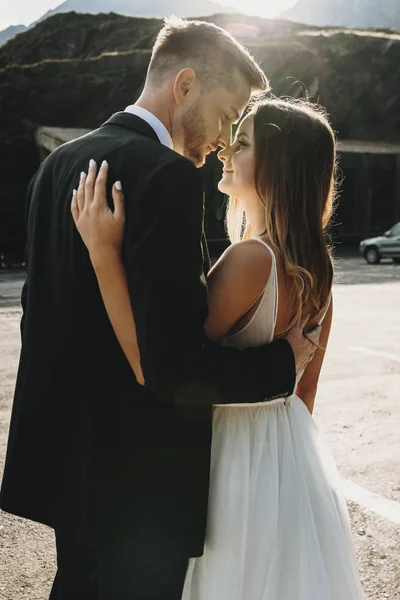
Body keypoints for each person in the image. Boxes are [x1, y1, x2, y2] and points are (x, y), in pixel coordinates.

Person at [0, 18, 316, 600]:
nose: (224, 139)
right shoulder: (164, 176)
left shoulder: (55, 167)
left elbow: (37, 313)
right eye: (226, 116)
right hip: (142, 482)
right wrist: (279, 365)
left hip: (69, 463)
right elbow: (173, 365)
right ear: (186, 85)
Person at [71, 97, 364, 599]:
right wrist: (284, 474)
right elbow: (304, 392)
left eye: (244, 142)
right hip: (290, 458)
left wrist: (103, 254)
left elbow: (156, 358)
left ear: (279, 166)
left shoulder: (251, 259)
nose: (227, 150)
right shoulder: (320, 268)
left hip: (232, 456)